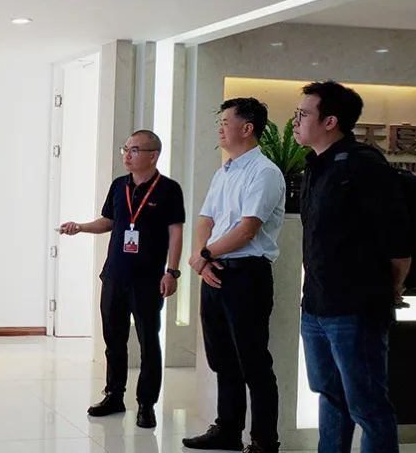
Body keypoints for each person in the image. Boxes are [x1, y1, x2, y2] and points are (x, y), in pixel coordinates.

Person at [293, 81, 410, 453]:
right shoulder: (315, 166)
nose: (295, 121)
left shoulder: (363, 165)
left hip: (356, 308)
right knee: (330, 395)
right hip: (315, 305)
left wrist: (390, 288)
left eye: (303, 115)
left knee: (367, 405)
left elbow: (398, 241)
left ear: (330, 121)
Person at [59, 130, 185, 429]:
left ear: (153, 156)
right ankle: (114, 395)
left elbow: (175, 232)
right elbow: (110, 221)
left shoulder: (169, 189)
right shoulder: (119, 186)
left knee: (148, 341)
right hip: (115, 276)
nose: (127, 155)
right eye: (125, 149)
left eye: (134, 150)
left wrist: (172, 271)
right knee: (113, 341)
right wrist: (81, 227)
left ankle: (146, 404)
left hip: (147, 280)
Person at [184, 98, 286, 453]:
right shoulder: (223, 171)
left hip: (246, 275)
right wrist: (203, 258)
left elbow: (247, 229)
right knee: (222, 358)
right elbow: (205, 219)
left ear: (247, 128)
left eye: (226, 122)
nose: (220, 128)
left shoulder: (265, 172)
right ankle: (227, 429)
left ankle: (264, 440)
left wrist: (204, 255)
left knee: (253, 361)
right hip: (215, 271)